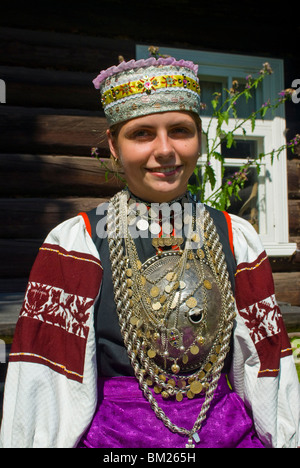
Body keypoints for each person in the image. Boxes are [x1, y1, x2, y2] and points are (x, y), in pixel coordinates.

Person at [0, 56, 299, 449]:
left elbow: (262, 366)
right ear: (113, 145)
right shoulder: (77, 243)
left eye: (180, 131)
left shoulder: (235, 236)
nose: (165, 150)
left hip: (228, 433)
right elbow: (46, 383)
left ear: (200, 140)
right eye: (142, 134)